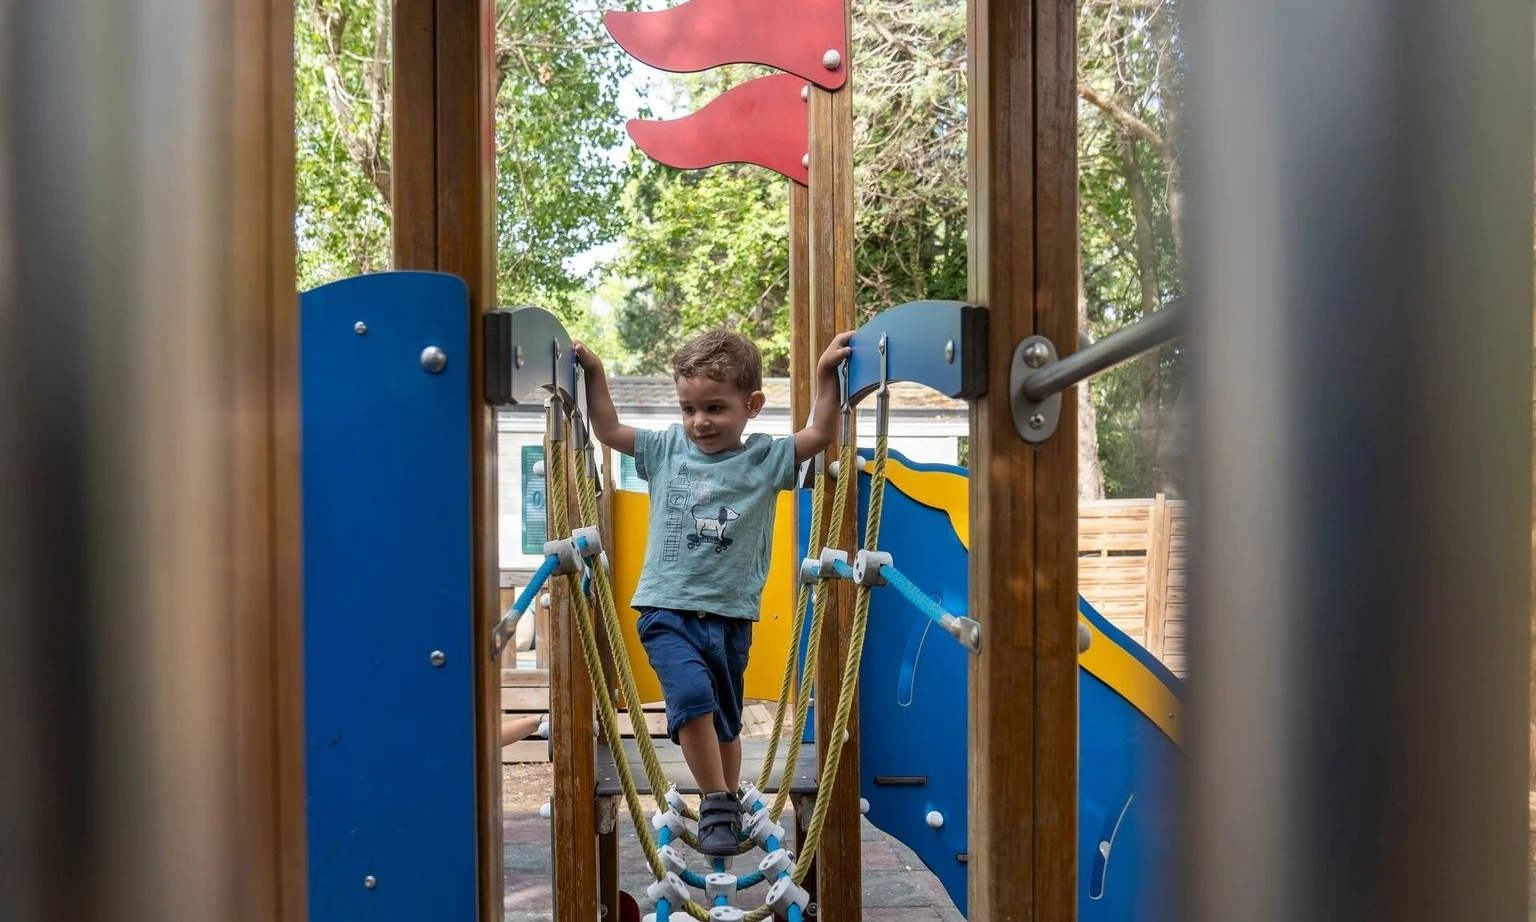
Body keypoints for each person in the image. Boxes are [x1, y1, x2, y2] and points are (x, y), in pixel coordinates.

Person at [571, 328, 852, 856]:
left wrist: (824, 377)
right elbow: (607, 428)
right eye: (689, 408)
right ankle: (717, 799)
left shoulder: (765, 460)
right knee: (694, 699)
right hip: (665, 609)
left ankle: (730, 797)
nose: (699, 422)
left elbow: (818, 432)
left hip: (729, 616)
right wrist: (595, 373)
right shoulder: (665, 447)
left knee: (724, 716)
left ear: (752, 406)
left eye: (715, 408)